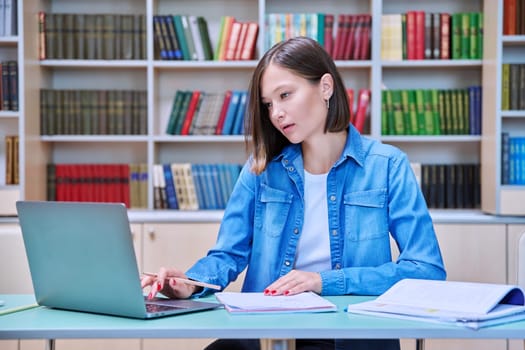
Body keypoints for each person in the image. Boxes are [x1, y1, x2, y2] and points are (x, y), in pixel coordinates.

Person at [141, 36, 446, 350]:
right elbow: (228, 255)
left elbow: (426, 270)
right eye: (269, 104)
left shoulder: (387, 166)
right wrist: (190, 284)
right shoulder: (261, 169)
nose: (276, 113)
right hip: (264, 332)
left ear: (325, 87)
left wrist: (322, 281)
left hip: (346, 337)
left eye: (285, 95)